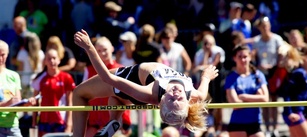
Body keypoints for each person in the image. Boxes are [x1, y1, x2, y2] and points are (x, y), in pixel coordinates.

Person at [73, 29, 219, 137]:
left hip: (130, 78)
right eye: (179, 98)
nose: (175, 93)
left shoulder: (151, 92)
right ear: (188, 102)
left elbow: (108, 78)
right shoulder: (196, 95)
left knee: (78, 94)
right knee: (117, 99)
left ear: (162, 101)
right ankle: (114, 120)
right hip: (131, 92)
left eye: (171, 98)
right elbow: (203, 88)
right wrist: (207, 76)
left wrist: (89, 48)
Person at [82, 36, 132, 137]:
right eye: (98, 50)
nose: (102, 53)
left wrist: (126, 122)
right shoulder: (88, 69)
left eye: (105, 50)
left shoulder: (121, 69)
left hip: (114, 123)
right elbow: (83, 95)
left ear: (112, 49)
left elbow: (126, 97)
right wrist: (84, 121)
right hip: (93, 123)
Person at [224, 44, 269, 137]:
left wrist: (244, 97)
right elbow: (235, 104)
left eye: (245, 57)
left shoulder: (258, 75)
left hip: (255, 122)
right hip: (237, 123)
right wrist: (256, 97)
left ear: (250, 57)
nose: (243, 60)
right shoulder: (231, 78)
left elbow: (265, 99)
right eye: (239, 57)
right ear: (234, 58)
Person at [31, 48, 75, 137]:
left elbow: (70, 102)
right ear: (45, 61)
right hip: (44, 121)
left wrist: (69, 124)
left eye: (54, 58)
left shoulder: (66, 77)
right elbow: (35, 103)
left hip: (61, 121)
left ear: (59, 60)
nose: (52, 61)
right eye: (49, 58)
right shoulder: (39, 78)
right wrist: (34, 122)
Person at [0, 40, 36, 137]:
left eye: (3, 55)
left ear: (7, 55)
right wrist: (9, 103)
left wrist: (27, 103)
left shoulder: (14, 75)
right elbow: (11, 102)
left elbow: (17, 102)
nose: (1, 58)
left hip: (13, 125)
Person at [280, 45, 307, 137]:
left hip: (299, 110)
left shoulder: (305, 73)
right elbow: (287, 93)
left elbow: (303, 95)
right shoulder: (299, 73)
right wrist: (290, 112)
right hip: (295, 112)